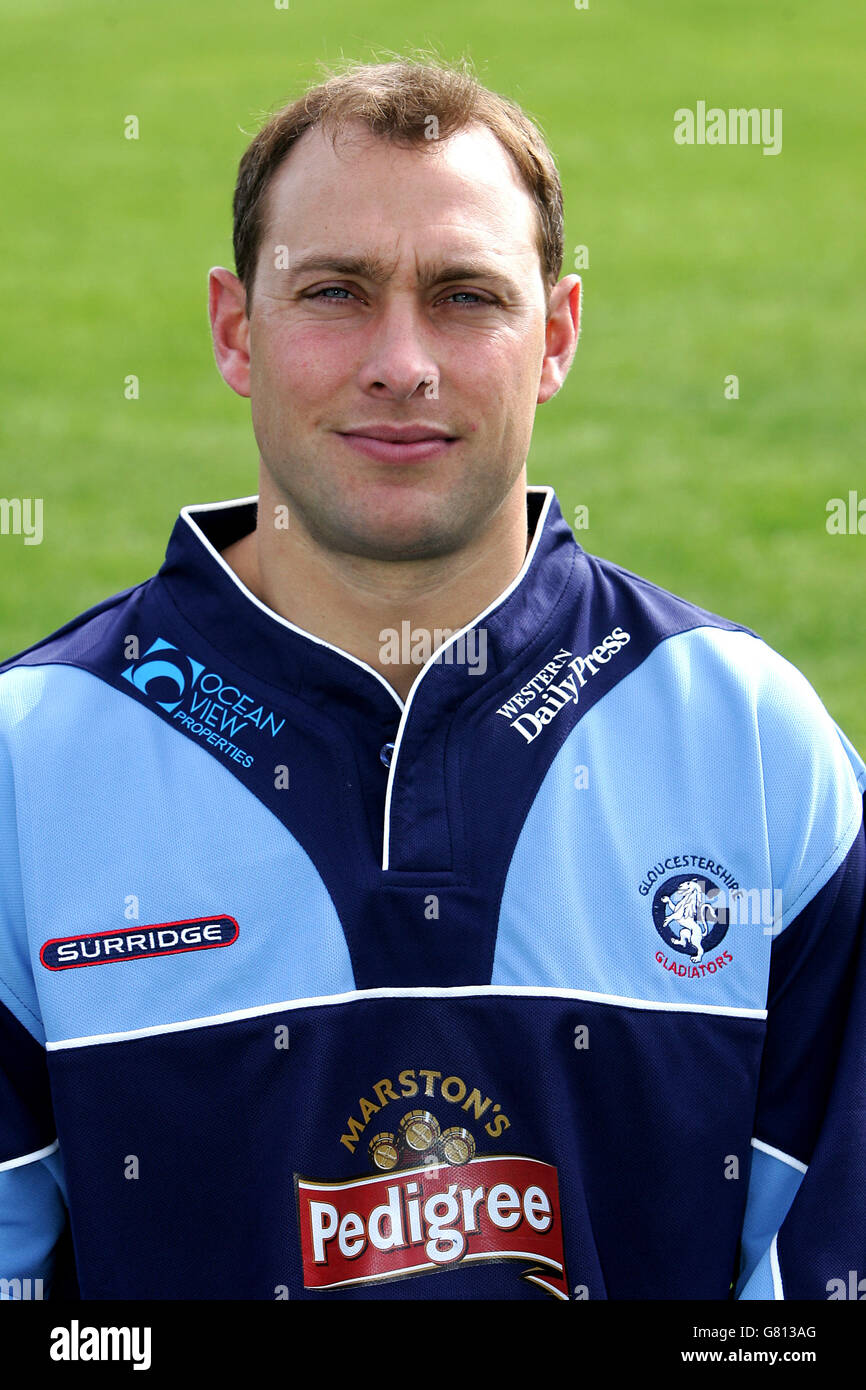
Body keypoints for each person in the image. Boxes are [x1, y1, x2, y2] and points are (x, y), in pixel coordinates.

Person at [0, 58, 863, 1303]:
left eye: (464, 297)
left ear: (555, 335)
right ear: (235, 329)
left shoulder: (752, 743)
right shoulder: (34, 767)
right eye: (335, 293)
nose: (401, 361)